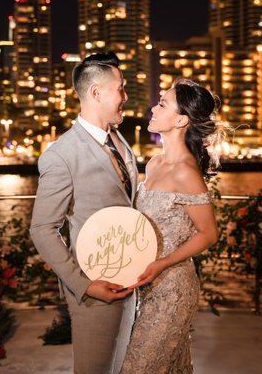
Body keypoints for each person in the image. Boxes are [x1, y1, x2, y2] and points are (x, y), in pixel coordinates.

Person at [30, 52, 138, 374]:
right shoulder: (61, 155)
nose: (125, 96)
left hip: (131, 282)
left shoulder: (119, 141)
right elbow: (42, 229)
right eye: (120, 88)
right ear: (95, 92)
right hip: (95, 290)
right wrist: (85, 285)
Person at [121, 78, 220, 373]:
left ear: (180, 120)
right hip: (144, 284)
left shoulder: (186, 172)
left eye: (162, 103)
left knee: (137, 368)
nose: (154, 107)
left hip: (172, 289)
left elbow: (209, 233)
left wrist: (162, 264)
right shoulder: (154, 163)